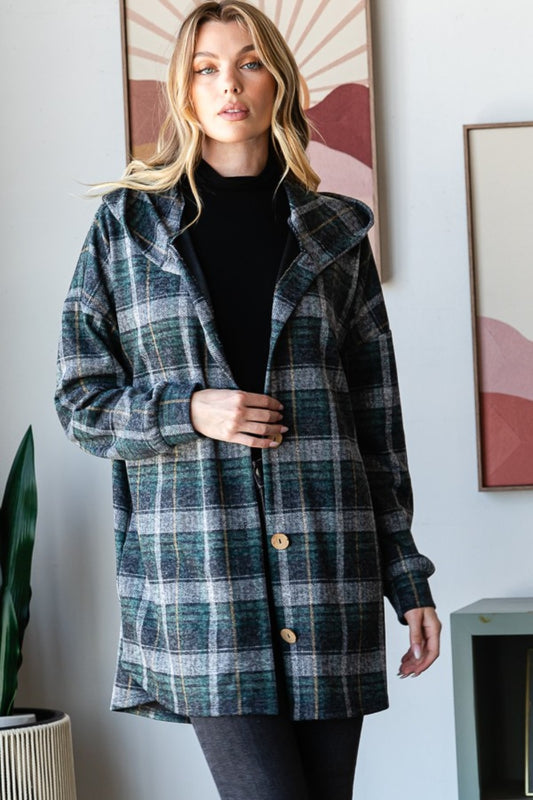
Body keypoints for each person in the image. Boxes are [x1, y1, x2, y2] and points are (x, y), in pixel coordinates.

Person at [55, 2, 441, 798]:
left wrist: (407, 581)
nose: (228, 84)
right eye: (206, 69)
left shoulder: (335, 234)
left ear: (279, 84)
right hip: (200, 582)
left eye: (249, 63)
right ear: (184, 91)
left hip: (328, 571)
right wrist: (188, 411)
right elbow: (81, 401)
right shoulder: (127, 228)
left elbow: (377, 425)